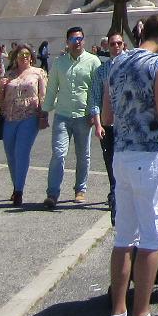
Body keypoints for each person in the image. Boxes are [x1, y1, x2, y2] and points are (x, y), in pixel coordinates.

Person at [103, 12, 158, 316]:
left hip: (121, 156)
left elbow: (107, 117)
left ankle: (118, 311)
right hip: (150, 158)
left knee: (124, 238)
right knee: (152, 238)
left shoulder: (117, 63)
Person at [42, 25, 102, 208]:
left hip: (84, 115)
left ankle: (80, 189)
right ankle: (52, 193)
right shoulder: (59, 63)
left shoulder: (93, 61)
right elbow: (52, 89)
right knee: (59, 154)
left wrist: (96, 113)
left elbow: (97, 90)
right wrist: (45, 111)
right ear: (67, 42)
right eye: (74, 39)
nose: (78, 42)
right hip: (63, 114)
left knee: (83, 155)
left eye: (80, 39)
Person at [1, 45, 47, 207]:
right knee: (10, 152)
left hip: (29, 115)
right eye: (20, 54)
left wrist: (43, 114)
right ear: (15, 57)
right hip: (10, 116)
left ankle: (19, 190)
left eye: (27, 54)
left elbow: (43, 95)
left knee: (22, 151)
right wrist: (2, 86)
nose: (24, 57)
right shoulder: (9, 74)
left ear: (32, 57)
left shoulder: (38, 73)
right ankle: (16, 185)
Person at [89, 28, 126, 219]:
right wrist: (97, 124)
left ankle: (123, 196)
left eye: (119, 43)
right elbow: (94, 98)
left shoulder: (130, 66)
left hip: (127, 125)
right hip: (108, 124)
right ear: (107, 46)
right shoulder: (101, 70)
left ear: (124, 45)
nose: (116, 47)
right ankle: (114, 196)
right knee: (110, 160)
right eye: (113, 44)